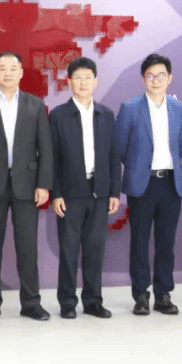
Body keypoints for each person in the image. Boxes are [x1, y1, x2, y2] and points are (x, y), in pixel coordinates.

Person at [0, 51, 53, 321]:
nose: (7, 73)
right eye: (2, 68)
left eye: (12, 68)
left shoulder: (35, 105)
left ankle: (31, 303)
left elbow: (45, 148)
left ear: (21, 73)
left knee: (28, 247)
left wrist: (43, 184)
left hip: (27, 185)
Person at [114, 53, 182, 316]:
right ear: (143, 78)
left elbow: (181, 145)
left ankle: (163, 294)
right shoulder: (130, 108)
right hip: (142, 185)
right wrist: (138, 167)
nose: (156, 80)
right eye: (150, 75)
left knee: (166, 242)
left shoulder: (179, 109)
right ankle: (141, 295)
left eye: (161, 75)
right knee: (140, 241)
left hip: (170, 184)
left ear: (170, 78)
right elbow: (120, 148)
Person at [48, 57, 121, 319]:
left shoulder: (106, 115)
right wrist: (56, 193)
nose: (83, 83)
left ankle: (93, 301)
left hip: (99, 193)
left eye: (88, 78)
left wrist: (114, 192)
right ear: (69, 82)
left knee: (95, 251)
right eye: (77, 78)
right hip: (70, 194)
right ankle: (67, 302)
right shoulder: (58, 115)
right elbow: (52, 158)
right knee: (69, 251)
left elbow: (114, 156)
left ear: (95, 82)